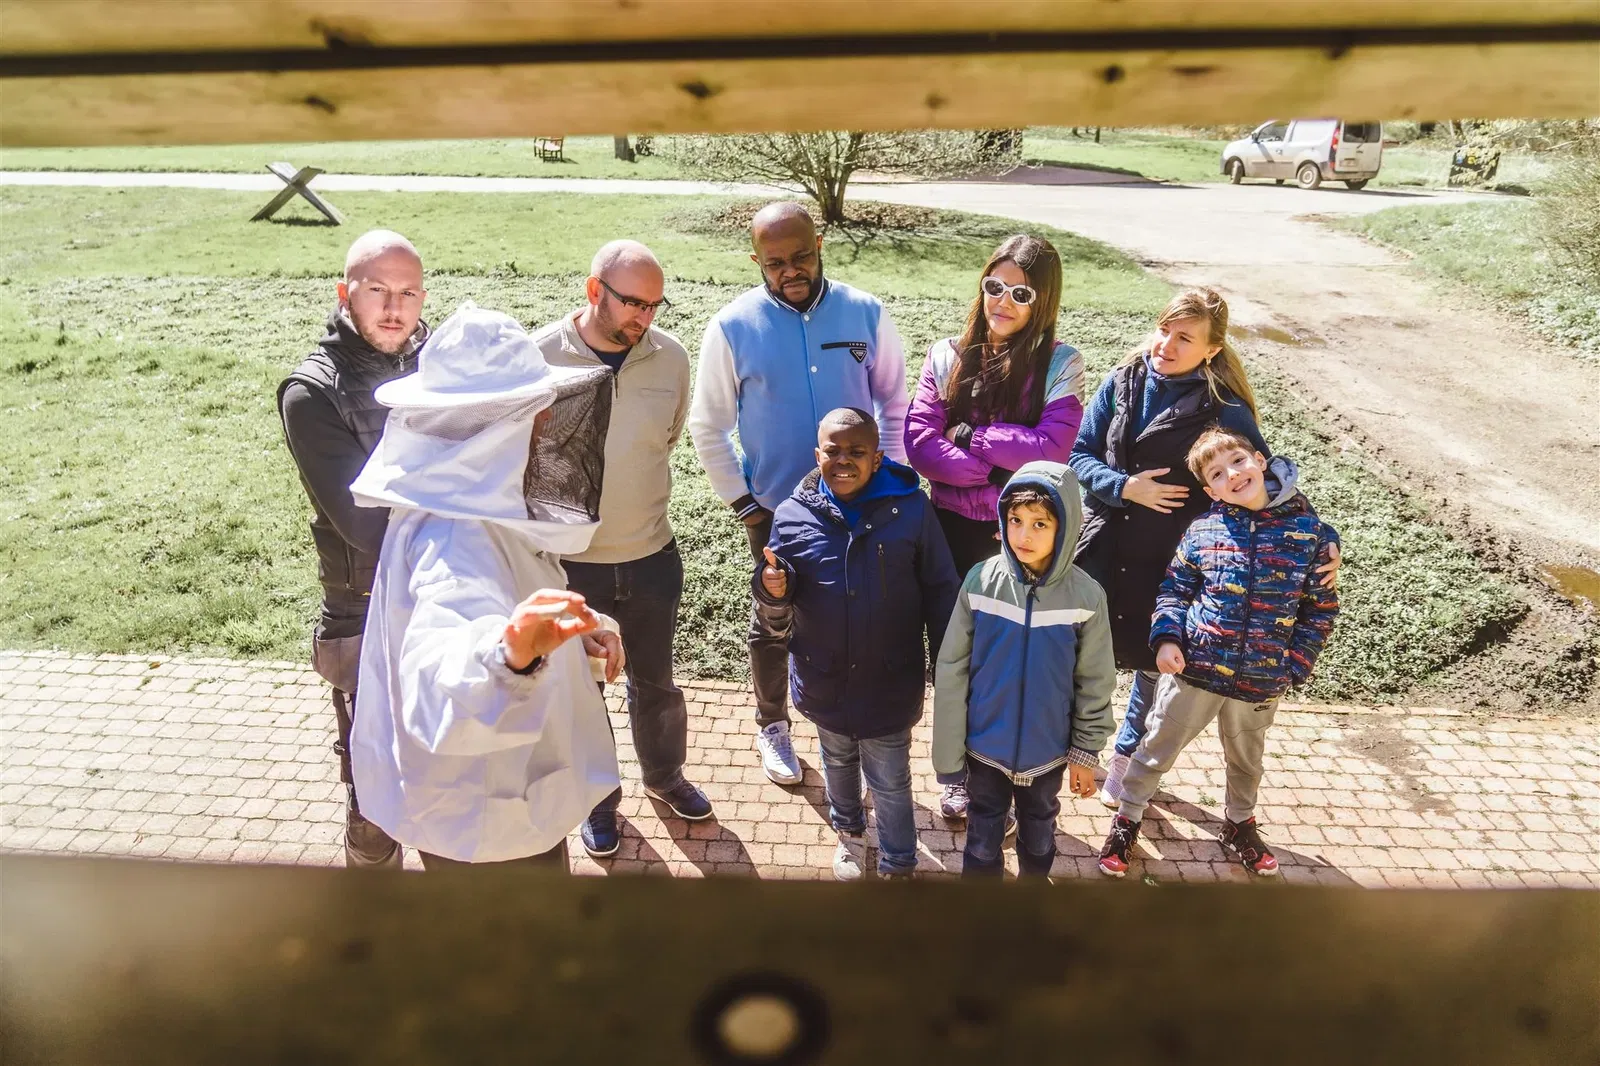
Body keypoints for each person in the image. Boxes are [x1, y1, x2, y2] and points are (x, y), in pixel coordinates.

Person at [346, 304, 626, 871]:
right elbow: (439, 664)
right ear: (498, 423)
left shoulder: (461, 506)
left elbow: (507, 597)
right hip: (484, 834)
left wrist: (568, 637)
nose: (547, 422)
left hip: (493, 815)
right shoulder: (452, 536)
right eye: (533, 409)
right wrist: (510, 656)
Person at [1068, 287, 1338, 808]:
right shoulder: (1122, 381)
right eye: (1163, 328)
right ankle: (1078, 750)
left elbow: (1265, 481)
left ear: (1211, 350)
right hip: (1102, 548)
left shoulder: (1224, 409)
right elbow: (1081, 452)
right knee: (1087, 657)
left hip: (1172, 561)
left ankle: (1128, 757)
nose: (1166, 343)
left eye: (1184, 337)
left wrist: (1325, 539)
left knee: (1154, 663)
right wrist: (1125, 486)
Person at [689, 201, 910, 786]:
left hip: (860, 510)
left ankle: (848, 728)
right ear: (757, 261)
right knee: (774, 619)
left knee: (857, 619)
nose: (791, 270)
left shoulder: (865, 313)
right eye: (775, 261)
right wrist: (742, 502)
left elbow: (894, 401)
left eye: (801, 256)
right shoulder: (732, 326)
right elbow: (707, 424)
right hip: (776, 514)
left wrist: (889, 478)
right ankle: (771, 723)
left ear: (821, 245)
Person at [1097, 428, 1341, 878]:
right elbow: (1174, 589)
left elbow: (1320, 609)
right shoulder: (1203, 531)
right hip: (1196, 672)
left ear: (1260, 462)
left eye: (1238, 461)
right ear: (1210, 490)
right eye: (1217, 472)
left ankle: (1239, 824)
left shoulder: (1309, 534)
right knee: (1155, 750)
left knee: (1247, 760)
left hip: (1262, 679)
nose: (1232, 474)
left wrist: (1295, 665)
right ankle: (1127, 819)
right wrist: (1167, 640)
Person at [534, 240, 709, 860]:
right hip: (570, 564)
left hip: (651, 555)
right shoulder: (539, 358)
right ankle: (599, 802)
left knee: (656, 683)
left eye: (654, 305)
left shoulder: (672, 360)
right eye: (632, 302)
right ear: (593, 291)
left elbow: (667, 437)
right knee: (584, 693)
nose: (644, 317)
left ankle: (665, 776)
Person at [904, 234, 1085, 821]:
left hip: (1020, 542)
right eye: (993, 286)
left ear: (1043, 300)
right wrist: (996, 471)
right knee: (952, 660)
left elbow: (1052, 449)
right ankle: (955, 774)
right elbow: (920, 446)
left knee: (1007, 661)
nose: (1002, 301)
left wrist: (973, 439)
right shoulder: (944, 354)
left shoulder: (1062, 363)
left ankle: (1001, 780)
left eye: (1019, 292)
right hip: (950, 533)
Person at [753, 408, 959, 880]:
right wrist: (772, 589)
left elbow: (941, 590)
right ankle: (849, 834)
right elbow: (775, 604)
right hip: (823, 677)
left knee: (889, 780)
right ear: (817, 454)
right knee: (837, 763)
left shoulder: (911, 509)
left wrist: (949, 666)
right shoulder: (791, 515)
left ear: (878, 457)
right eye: (833, 451)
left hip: (889, 680)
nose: (843, 461)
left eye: (857, 452)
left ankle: (898, 863)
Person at [277, 229, 429, 868]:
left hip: (444, 592)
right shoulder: (313, 393)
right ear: (346, 294)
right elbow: (363, 522)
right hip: (363, 606)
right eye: (377, 291)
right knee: (373, 784)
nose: (394, 308)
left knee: (444, 761)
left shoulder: (439, 365)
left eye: (408, 292)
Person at [932, 462, 1116, 878]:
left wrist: (1085, 752)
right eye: (1015, 520)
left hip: (1047, 753)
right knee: (981, 837)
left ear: (1066, 526)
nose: (1024, 535)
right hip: (984, 749)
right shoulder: (981, 582)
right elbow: (951, 670)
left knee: (1038, 833)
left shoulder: (1086, 597)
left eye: (1040, 523)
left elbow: (1095, 681)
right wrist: (948, 755)